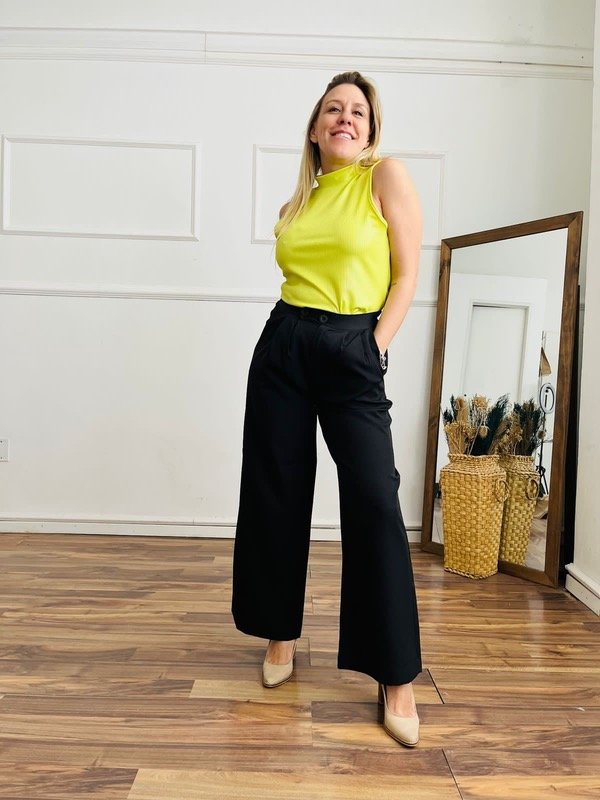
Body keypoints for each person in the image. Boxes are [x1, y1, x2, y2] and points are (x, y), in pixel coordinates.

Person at [232, 71, 423, 747]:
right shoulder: (302, 199)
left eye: (358, 112)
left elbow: (406, 274)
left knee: (374, 499)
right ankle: (279, 634)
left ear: (370, 131)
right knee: (276, 490)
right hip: (285, 341)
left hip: (352, 345)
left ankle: (395, 676)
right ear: (315, 128)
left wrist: (373, 347)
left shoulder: (384, 178)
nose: (346, 118)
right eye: (334, 109)